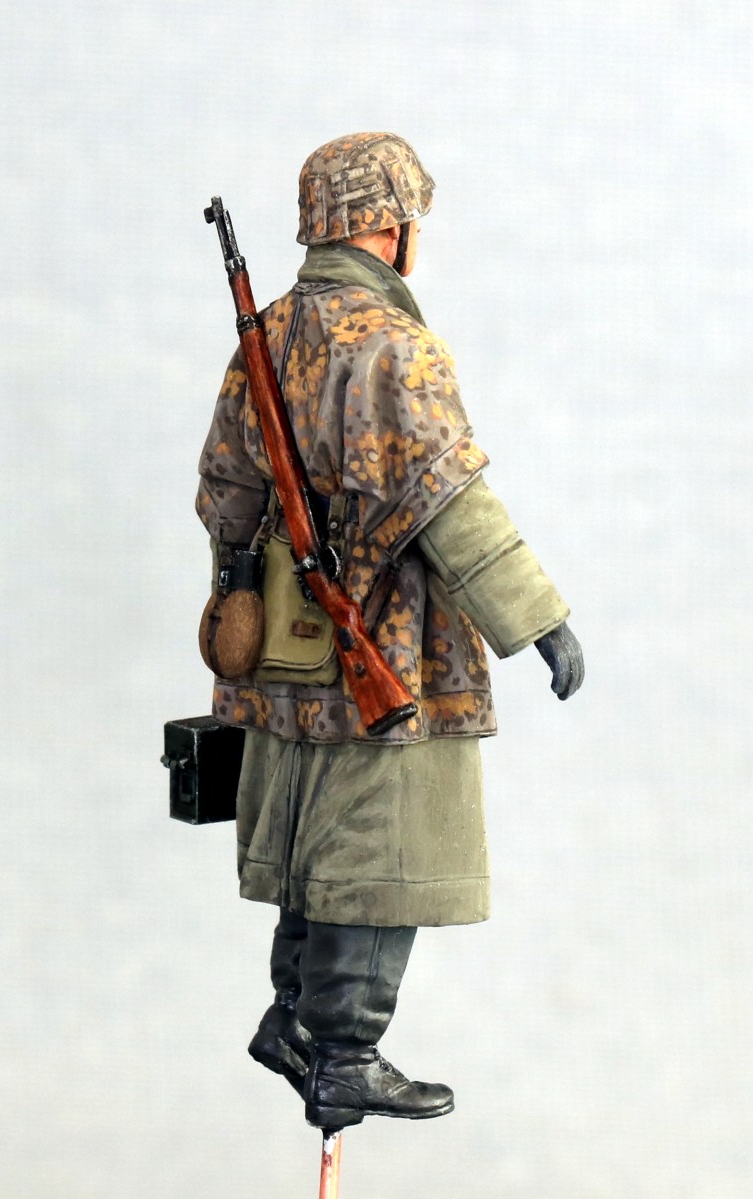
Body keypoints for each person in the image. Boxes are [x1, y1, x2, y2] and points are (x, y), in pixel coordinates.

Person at [196, 132, 584, 1131]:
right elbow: (451, 502)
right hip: (389, 649)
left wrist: (250, 605)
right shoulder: (393, 346)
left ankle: (292, 1019)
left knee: (312, 850)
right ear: (390, 226)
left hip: (290, 650)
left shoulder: (268, 332)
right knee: (375, 856)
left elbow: (225, 493)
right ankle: (345, 1056)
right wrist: (537, 619)